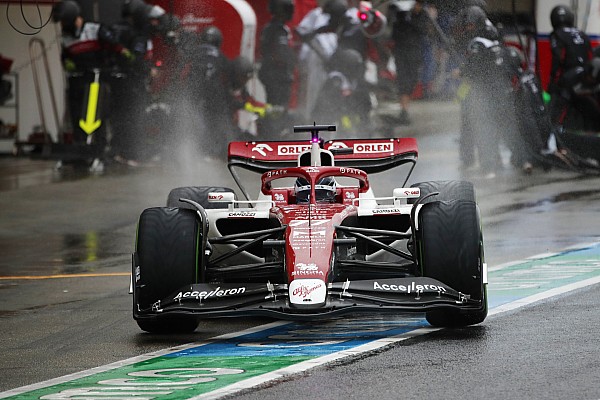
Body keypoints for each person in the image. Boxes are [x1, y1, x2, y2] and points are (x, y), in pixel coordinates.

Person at [52, 0, 124, 169]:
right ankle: (80, 153)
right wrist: (67, 62)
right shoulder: (66, 37)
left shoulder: (96, 30)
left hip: (97, 80)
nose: (62, 25)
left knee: (95, 118)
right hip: (76, 80)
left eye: (64, 21)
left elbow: (114, 48)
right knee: (77, 118)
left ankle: (99, 152)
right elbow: (65, 56)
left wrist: (111, 63)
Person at [548, 5, 593, 125]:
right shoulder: (582, 34)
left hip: (569, 77)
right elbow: (590, 55)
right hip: (587, 77)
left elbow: (558, 58)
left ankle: (552, 132)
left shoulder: (556, 34)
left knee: (554, 109)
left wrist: (552, 81)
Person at [389, 0, 432, 125]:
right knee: (404, 81)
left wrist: (411, 18)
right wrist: (403, 16)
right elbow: (394, 32)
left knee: (412, 80)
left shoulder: (422, 15)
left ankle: (405, 108)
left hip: (414, 53)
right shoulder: (400, 15)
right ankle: (404, 110)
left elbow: (423, 29)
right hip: (401, 53)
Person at [311, 48, 372, 133]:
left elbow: (365, 102)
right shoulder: (335, 79)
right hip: (330, 120)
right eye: (355, 66)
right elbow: (330, 103)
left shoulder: (354, 80)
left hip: (348, 116)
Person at [258, 0, 296, 136]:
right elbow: (281, 53)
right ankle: (274, 135)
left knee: (277, 108)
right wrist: (292, 60)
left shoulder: (271, 27)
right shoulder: (277, 29)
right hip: (277, 77)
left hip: (273, 75)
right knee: (277, 109)